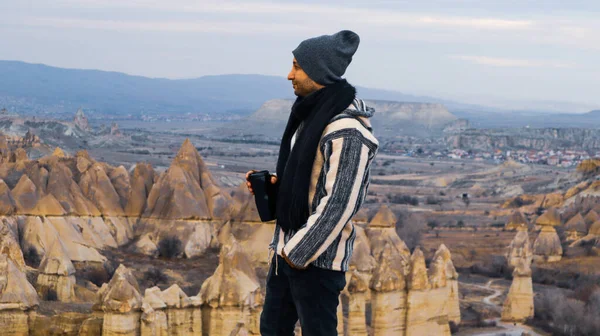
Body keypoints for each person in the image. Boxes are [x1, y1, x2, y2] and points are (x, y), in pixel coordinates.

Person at [245, 30, 379, 336]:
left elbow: (339, 204)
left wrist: (297, 254)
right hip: (287, 253)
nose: (289, 75)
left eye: (297, 66)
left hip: (316, 262)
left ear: (318, 73)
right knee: (272, 330)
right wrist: (278, 188)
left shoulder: (347, 131)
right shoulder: (312, 118)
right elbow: (311, 186)